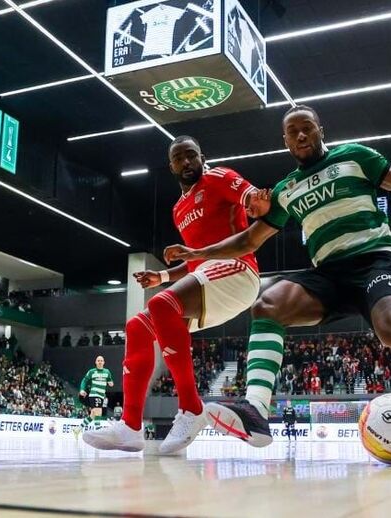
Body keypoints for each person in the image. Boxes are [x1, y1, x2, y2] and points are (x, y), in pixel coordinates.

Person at [167, 105, 391, 446]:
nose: (301, 135)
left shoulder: (355, 156)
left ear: (321, 131)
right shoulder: (286, 189)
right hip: (329, 274)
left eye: (307, 128)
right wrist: (198, 253)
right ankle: (256, 410)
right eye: (293, 131)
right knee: (267, 305)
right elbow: (249, 240)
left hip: (375, 262)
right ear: (285, 141)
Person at [83, 135, 267, 454]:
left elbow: (251, 196)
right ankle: (130, 427)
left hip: (238, 271)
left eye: (191, 155)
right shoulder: (178, 208)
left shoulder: (218, 177)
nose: (186, 162)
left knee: (162, 304)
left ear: (202, 157)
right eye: (179, 158)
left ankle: (192, 409)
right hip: (207, 279)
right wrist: (163, 276)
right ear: (171, 166)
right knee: (137, 326)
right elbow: (196, 261)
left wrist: (256, 200)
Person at [75, 356, 114, 437]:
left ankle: (77, 429)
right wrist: (82, 389)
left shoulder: (107, 372)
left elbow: (110, 381)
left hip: (101, 396)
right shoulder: (92, 371)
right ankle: (99, 434)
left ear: (104, 362)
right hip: (94, 394)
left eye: (101, 360)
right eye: (98, 360)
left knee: (92, 415)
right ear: (95, 362)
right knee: (98, 412)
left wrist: (111, 383)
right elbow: (84, 380)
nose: (100, 362)